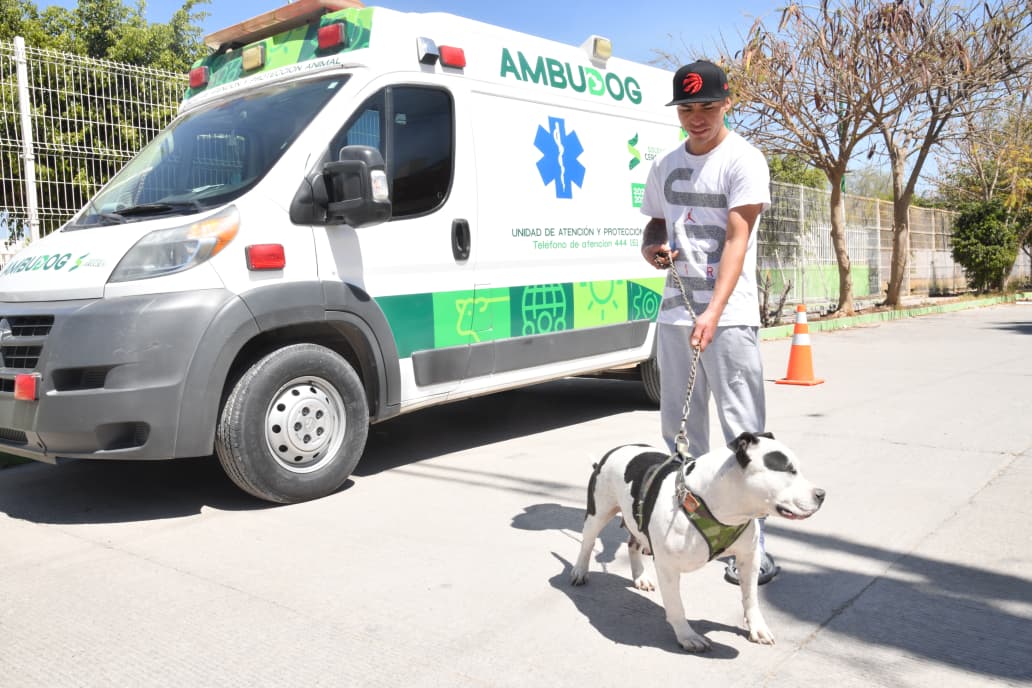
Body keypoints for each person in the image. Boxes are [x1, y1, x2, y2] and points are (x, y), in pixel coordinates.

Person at [639, 60, 779, 585]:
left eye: (706, 107)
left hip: (731, 316)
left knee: (745, 434)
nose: (696, 117)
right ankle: (694, 531)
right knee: (682, 432)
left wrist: (715, 313)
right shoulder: (665, 164)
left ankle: (756, 547)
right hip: (676, 313)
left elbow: (737, 240)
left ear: (726, 105)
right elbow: (657, 219)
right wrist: (653, 245)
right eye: (686, 108)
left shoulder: (744, 159)